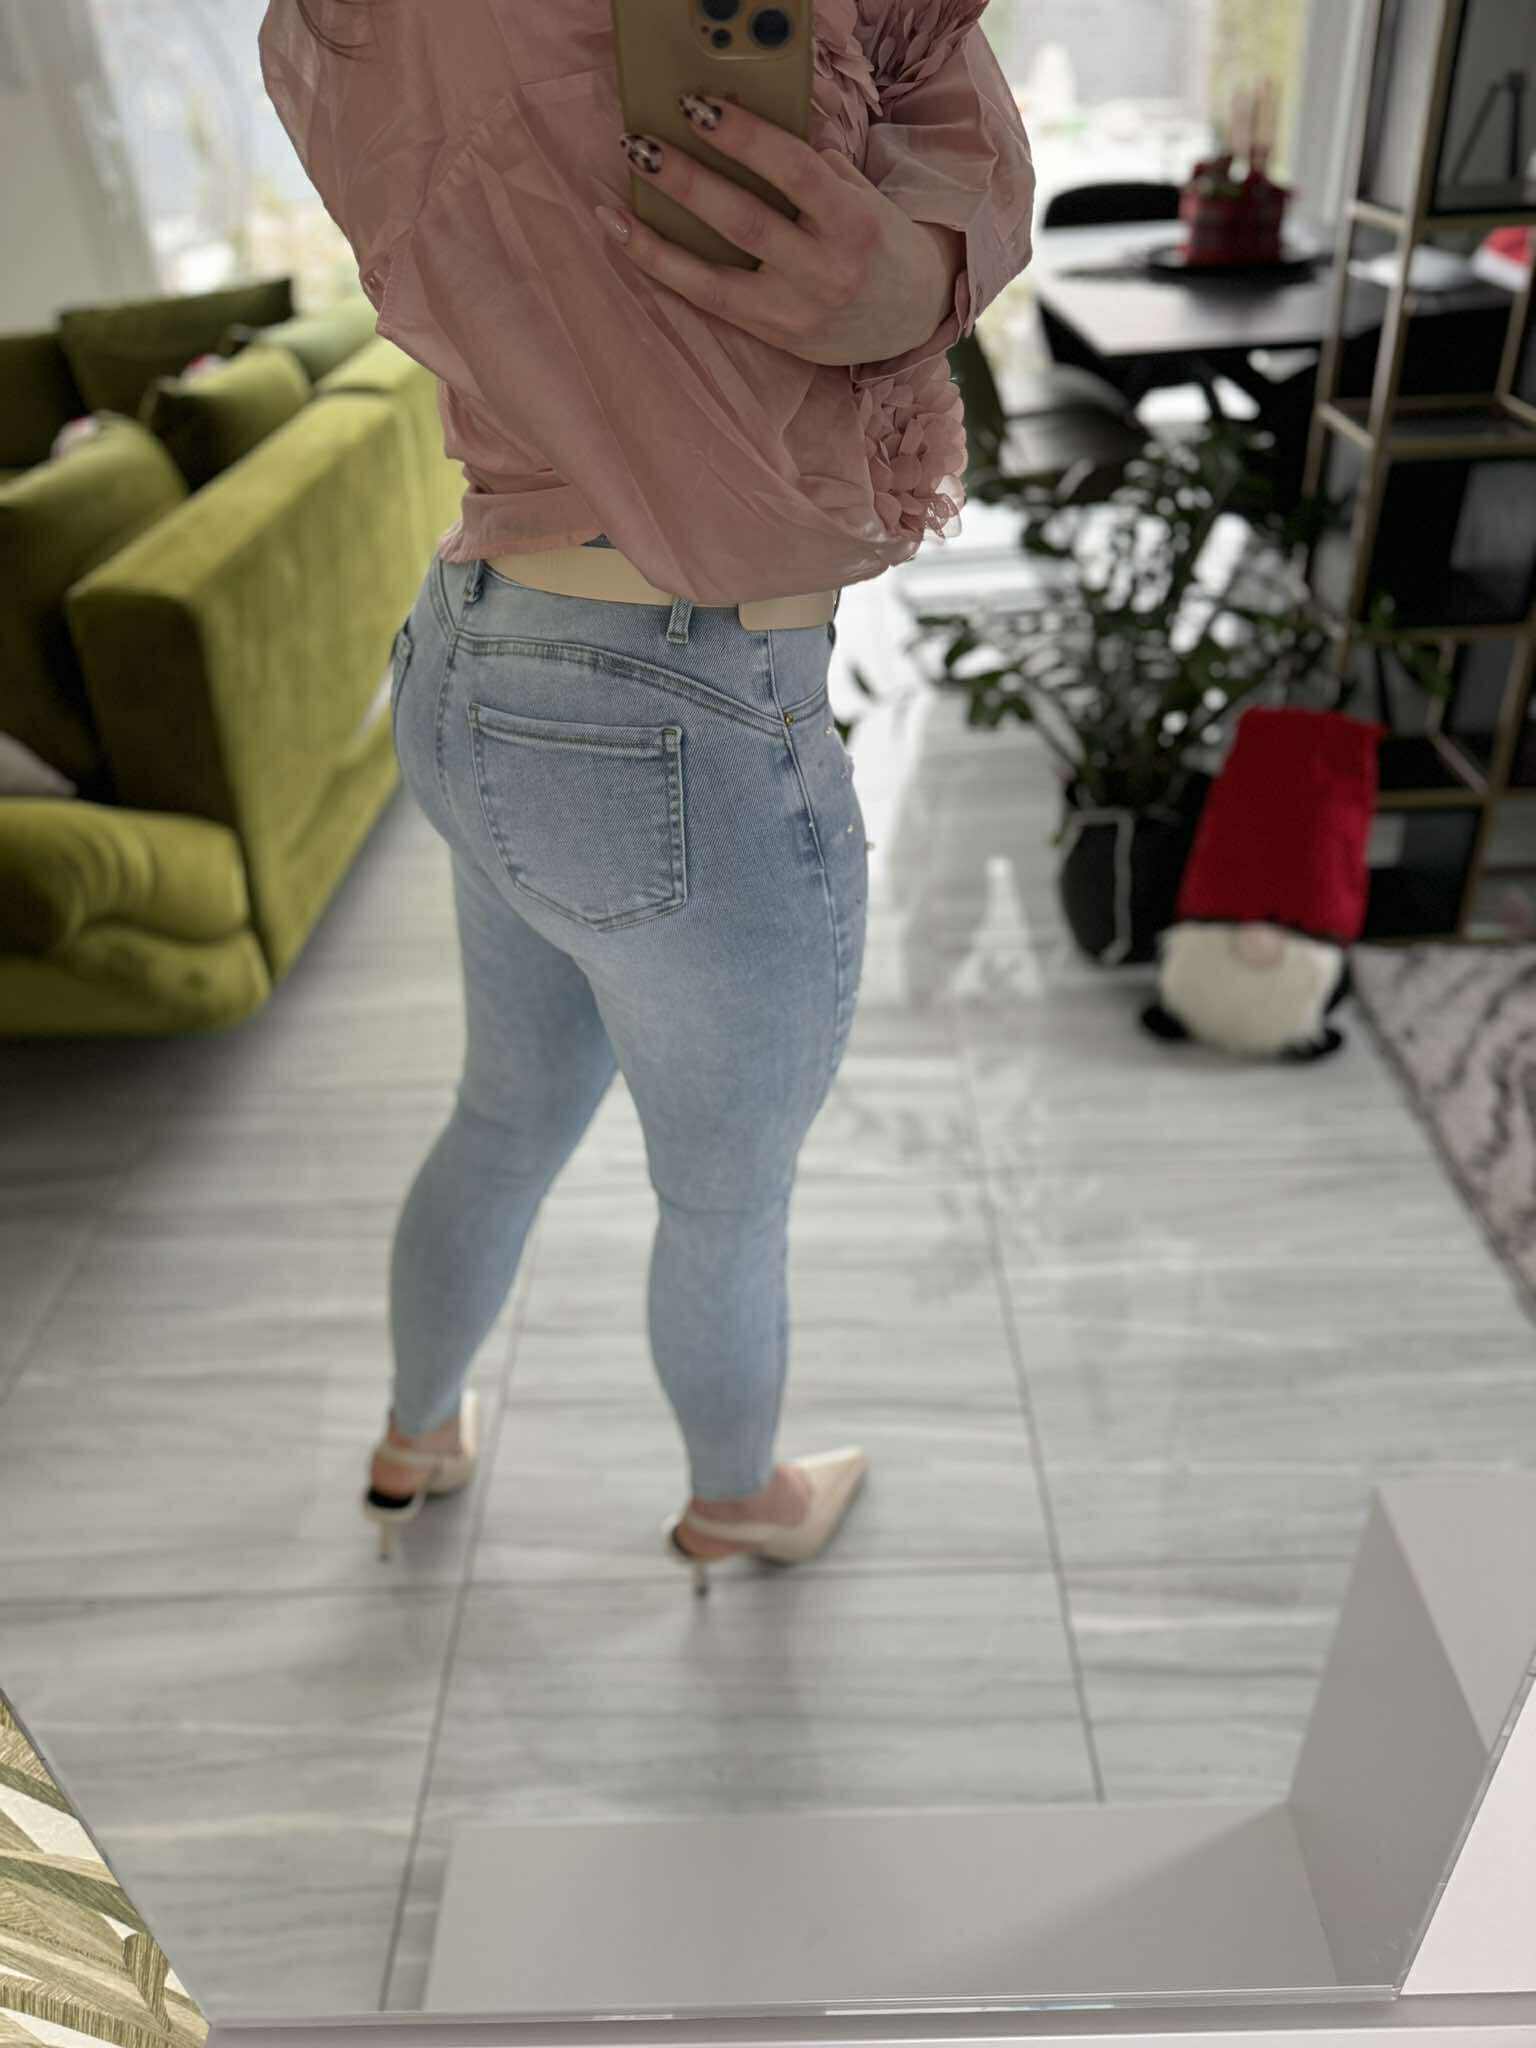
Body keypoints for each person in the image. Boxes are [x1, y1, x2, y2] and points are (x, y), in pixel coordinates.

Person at [257, 0, 1035, 1587]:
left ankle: (415, 1434)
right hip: (682, 699)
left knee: (501, 1111)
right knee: (725, 1200)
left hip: (472, 648)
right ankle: (737, 1498)